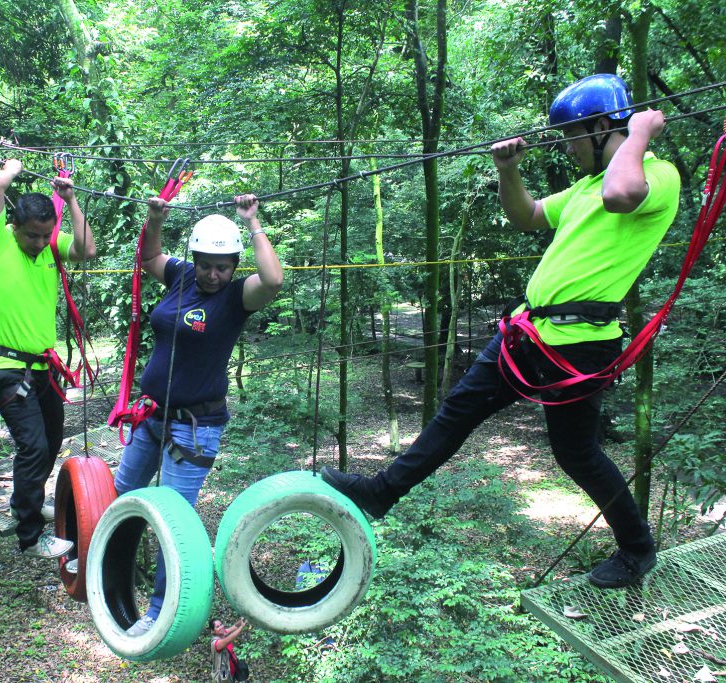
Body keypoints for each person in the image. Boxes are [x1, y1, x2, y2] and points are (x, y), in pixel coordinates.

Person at [322, 73, 681, 588]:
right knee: (457, 411)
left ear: (603, 127)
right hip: (527, 334)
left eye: (573, 136)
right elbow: (528, 215)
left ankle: (637, 549)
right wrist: (507, 170)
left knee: (577, 454)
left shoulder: (657, 175)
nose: (568, 147)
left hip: (580, 346)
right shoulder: (584, 188)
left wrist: (640, 131)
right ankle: (382, 491)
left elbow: (622, 194)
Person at [102, 193, 283, 634]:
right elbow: (150, 258)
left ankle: (158, 611)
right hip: (151, 416)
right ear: (195, 260)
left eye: (223, 267)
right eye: (206, 265)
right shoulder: (182, 276)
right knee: (122, 497)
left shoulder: (237, 297)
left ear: (234, 266)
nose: (213, 274)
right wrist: (155, 219)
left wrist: (252, 221)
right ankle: (107, 580)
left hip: (194, 428)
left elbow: (274, 280)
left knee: (174, 520)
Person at [0, 158, 96, 558]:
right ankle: (29, 534)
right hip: (8, 369)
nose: (41, 242)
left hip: (44, 368)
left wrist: (71, 200)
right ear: (14, 226)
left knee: (51, 441)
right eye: (33, 235)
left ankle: (29, 500)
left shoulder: (49, 247)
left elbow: (87, 249)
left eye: (47, 234)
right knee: (33, 447)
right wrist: (14, 165)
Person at [211, 617, 249, 682]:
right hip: (223, 671)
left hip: (232, 668)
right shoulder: (216, 643)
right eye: (217, 627)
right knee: (224, 680)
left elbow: (234, 626)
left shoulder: (223, 633)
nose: (221, 627)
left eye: (221, 624)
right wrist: (241, 627)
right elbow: (228, 639)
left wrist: (241, 620)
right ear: (213, 631)